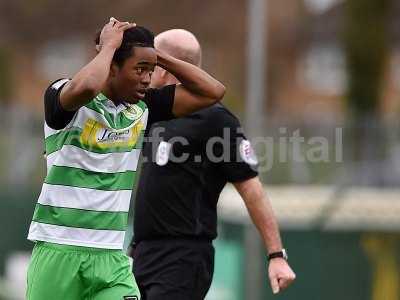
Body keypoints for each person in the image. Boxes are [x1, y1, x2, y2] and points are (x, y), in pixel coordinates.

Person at [26, 18, 225, 300]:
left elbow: (212, 91)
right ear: (112, 67)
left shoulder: (142, 109)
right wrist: (108, 48)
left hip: (111, 259)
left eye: (151, 70)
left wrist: (159, 56)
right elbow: (87, 87)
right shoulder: (65, 96)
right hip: (58, 250)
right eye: (140, 69)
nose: (147, 79)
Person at [130, 29, 296, 300]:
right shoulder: (153, 113)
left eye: (150, 65)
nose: (145, 74)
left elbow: (251, 189)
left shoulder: (215, 119)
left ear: (163, 66)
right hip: (143, 254)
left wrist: (276, 255)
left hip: (183, 258)